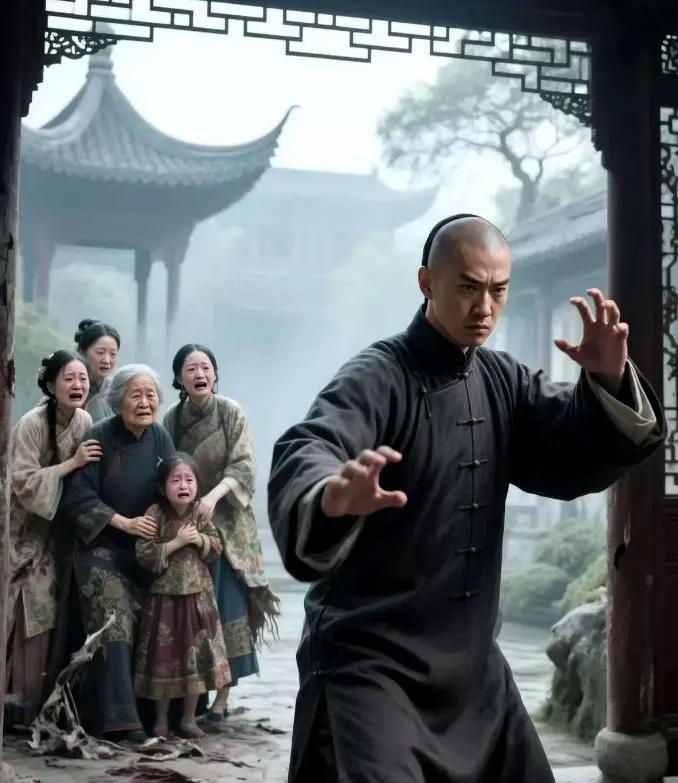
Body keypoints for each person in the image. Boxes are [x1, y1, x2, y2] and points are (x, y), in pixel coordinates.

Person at [267, 214, 666, 783]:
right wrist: (331, 497)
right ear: (426, 282)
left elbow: (568, 441)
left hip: (472, 665)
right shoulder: (376, 376)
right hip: (372, 660)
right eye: (468, 287)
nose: (485, 307)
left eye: (498, 290)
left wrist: (607, 380)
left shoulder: (503, 381)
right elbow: (313, 444)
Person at [163, 344, 279, 726]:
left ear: (215, 374)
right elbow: (165, 469)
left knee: (227, 605)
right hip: (187, 521)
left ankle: (222, 698)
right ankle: (191, 692)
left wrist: (212, 497)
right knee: (192, 609)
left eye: (206, 367)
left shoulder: (230, 411)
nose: (200, 374)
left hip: (228, 521)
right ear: (179, 377)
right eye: (191, 368)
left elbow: (244, 466)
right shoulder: (172, 419)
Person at [62, 364, 174, 742]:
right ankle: (121, 719)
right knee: (116, 617)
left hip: (145, 552)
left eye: (150, 395)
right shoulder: (98, 436)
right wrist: (124, 523)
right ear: (117, 401)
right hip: (101, 549)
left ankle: (165, 714)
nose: (144, 403)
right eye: (135, 395)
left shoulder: (161, 437)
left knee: (169, 608)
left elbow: (172, 489)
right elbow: (79, 498)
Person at [6, 351, 101, 726]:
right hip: (23, 528)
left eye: (82, 378)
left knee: (51, 609)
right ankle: (15, 706)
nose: (78, 385)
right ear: (50, 385)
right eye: (69, 378)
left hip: (60, 529)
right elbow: (23, 482)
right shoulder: (30, 425)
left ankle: (40, 705)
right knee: (24, 608)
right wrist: (71, 463)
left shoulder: (85, 420)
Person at [134, 454, 231, 739]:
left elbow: (217, 546)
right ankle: (161, 721)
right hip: (164, 600)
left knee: (195, 661)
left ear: (198, 486)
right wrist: (176, 542)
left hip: (198, 599)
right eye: (175, 480)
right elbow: (144, 553)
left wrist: (199, 539)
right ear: (162, 486)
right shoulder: (155, 514)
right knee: (163, 660)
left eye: (189, 480)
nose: (183, 486)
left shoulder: (200, 513)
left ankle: (188, 719)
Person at [74, 318, 120, 422]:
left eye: (113, 354)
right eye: (100, 353)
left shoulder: (117, 391)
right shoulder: (65, 387)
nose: (107, 360)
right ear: (82, 351)